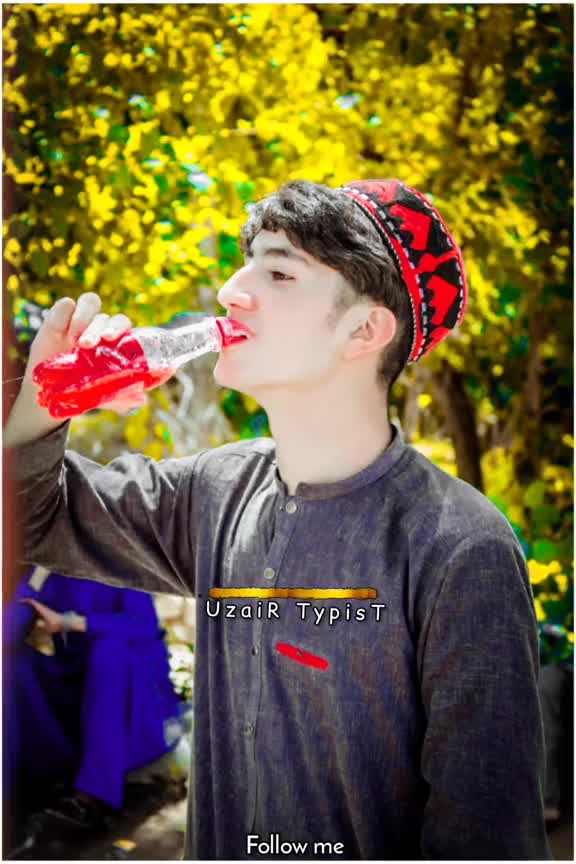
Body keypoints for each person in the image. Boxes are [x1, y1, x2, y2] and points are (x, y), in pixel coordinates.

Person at [4, 179, 552, 859]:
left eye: (280, 272)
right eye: (246, 264)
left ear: (365, 330)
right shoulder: (213, 492)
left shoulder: (459, 548)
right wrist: (42, 403)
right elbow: (33, 519)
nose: (231, 290)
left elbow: (485, 839)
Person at [3, 565, 183, 838]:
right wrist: (37, 577)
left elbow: (144, 623)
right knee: (14, 664)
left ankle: (91, 800)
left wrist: (72, 622)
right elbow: (7, 633)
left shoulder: (119, 556)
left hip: (131, 696)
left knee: (108, 650)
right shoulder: (47, 568)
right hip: (77, 685)